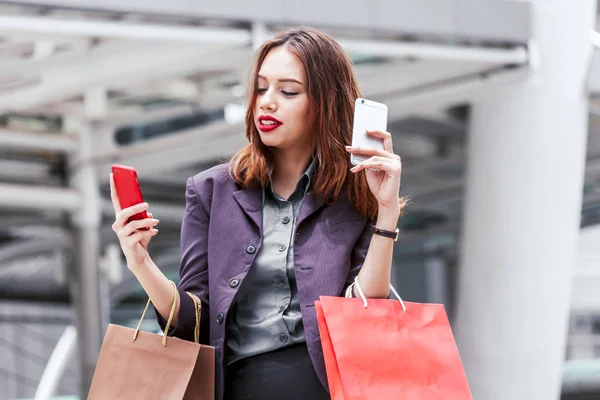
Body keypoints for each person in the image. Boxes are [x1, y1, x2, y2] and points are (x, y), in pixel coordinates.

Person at [110, 27, 405, 400]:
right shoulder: (210, 191)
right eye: (261, 88)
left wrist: (387, 212)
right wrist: (139, 262)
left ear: (325, 103)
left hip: (327, 386)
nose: (267, 102)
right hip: (238, 385)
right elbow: (191, 323)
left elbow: (365, 310)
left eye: (288, 91)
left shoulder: (355, 191)